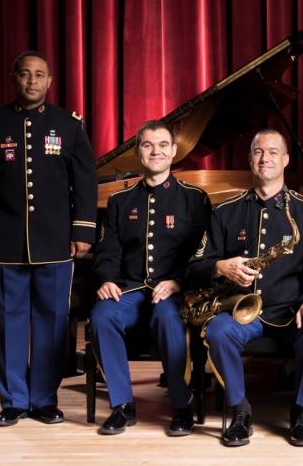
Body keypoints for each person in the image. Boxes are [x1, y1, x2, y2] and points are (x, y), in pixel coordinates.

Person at [0, 50, 97, 427]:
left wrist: (83, 230)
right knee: (10, 323)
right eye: (25, 74)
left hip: (57, 242)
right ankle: (12, 401)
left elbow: (85, 182)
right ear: (14, 78)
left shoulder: (69, 125)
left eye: (39, 75)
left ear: (50, 80)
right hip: (5, 243)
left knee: (53, 323)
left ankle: (44, 400)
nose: (32, 81)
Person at [187, 129, 303, 447]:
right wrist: (219, 267)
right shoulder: (224, 212)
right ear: (250, 159)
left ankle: (299, 413)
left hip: (292, 311)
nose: (264, 158)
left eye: (271, 152)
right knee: (217, 332)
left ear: (285, 159)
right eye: (257, 151)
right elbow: (194, 267)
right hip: (240, 314)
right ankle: (240, 411)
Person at [90, 120, 211, 435]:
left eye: (162, 145)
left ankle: (181, 407)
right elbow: (107, 250)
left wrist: (179, 281)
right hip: (129, 289)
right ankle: (122, 405)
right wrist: (106, 279)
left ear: (173, 151)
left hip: (174, 290)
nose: (155, 151)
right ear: (138, 152)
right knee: (102, 316)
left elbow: (203, 253)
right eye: (147, 145)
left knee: (169, 320)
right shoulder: (119, 202)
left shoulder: (195, 198)